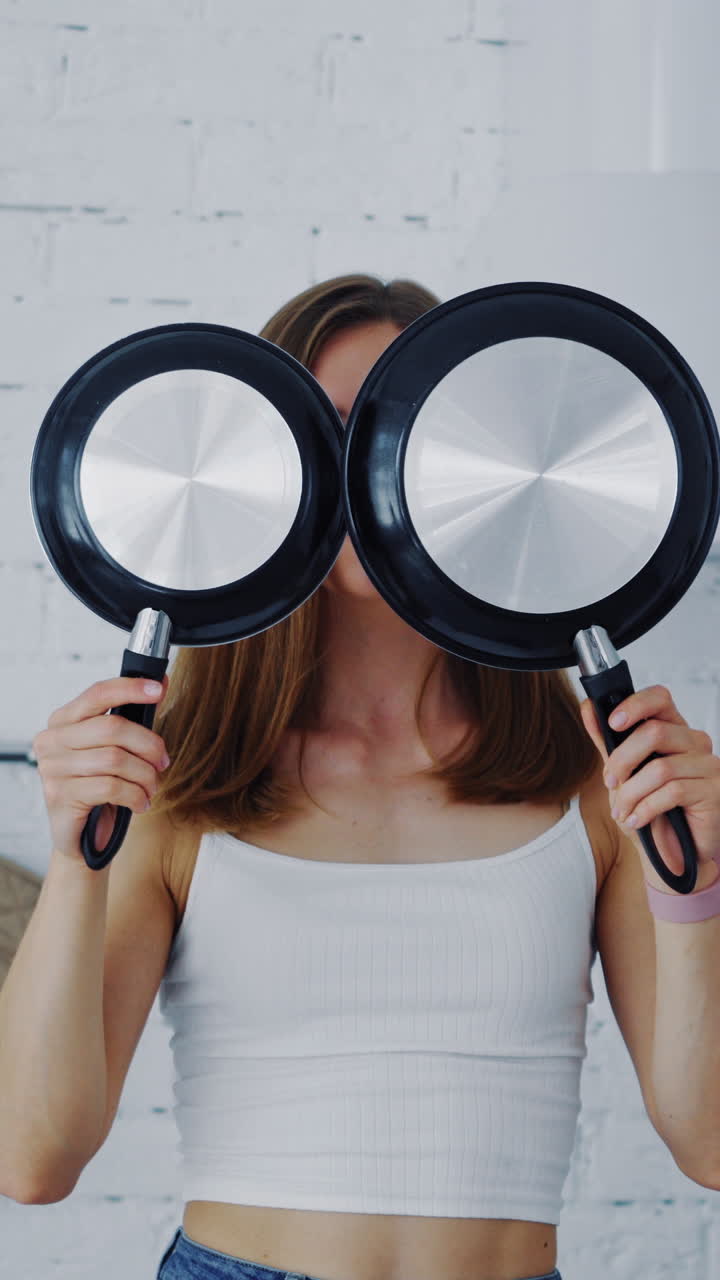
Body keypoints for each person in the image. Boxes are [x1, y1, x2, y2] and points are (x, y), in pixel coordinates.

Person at [2, 274, 719, 1280]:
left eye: (401, 430)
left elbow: (711, 1143)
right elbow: (32, 1158)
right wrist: (77, 859)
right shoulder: (173, 784)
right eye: (328, 433)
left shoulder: (591, 782)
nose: (363, 473)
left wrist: (702, 890)